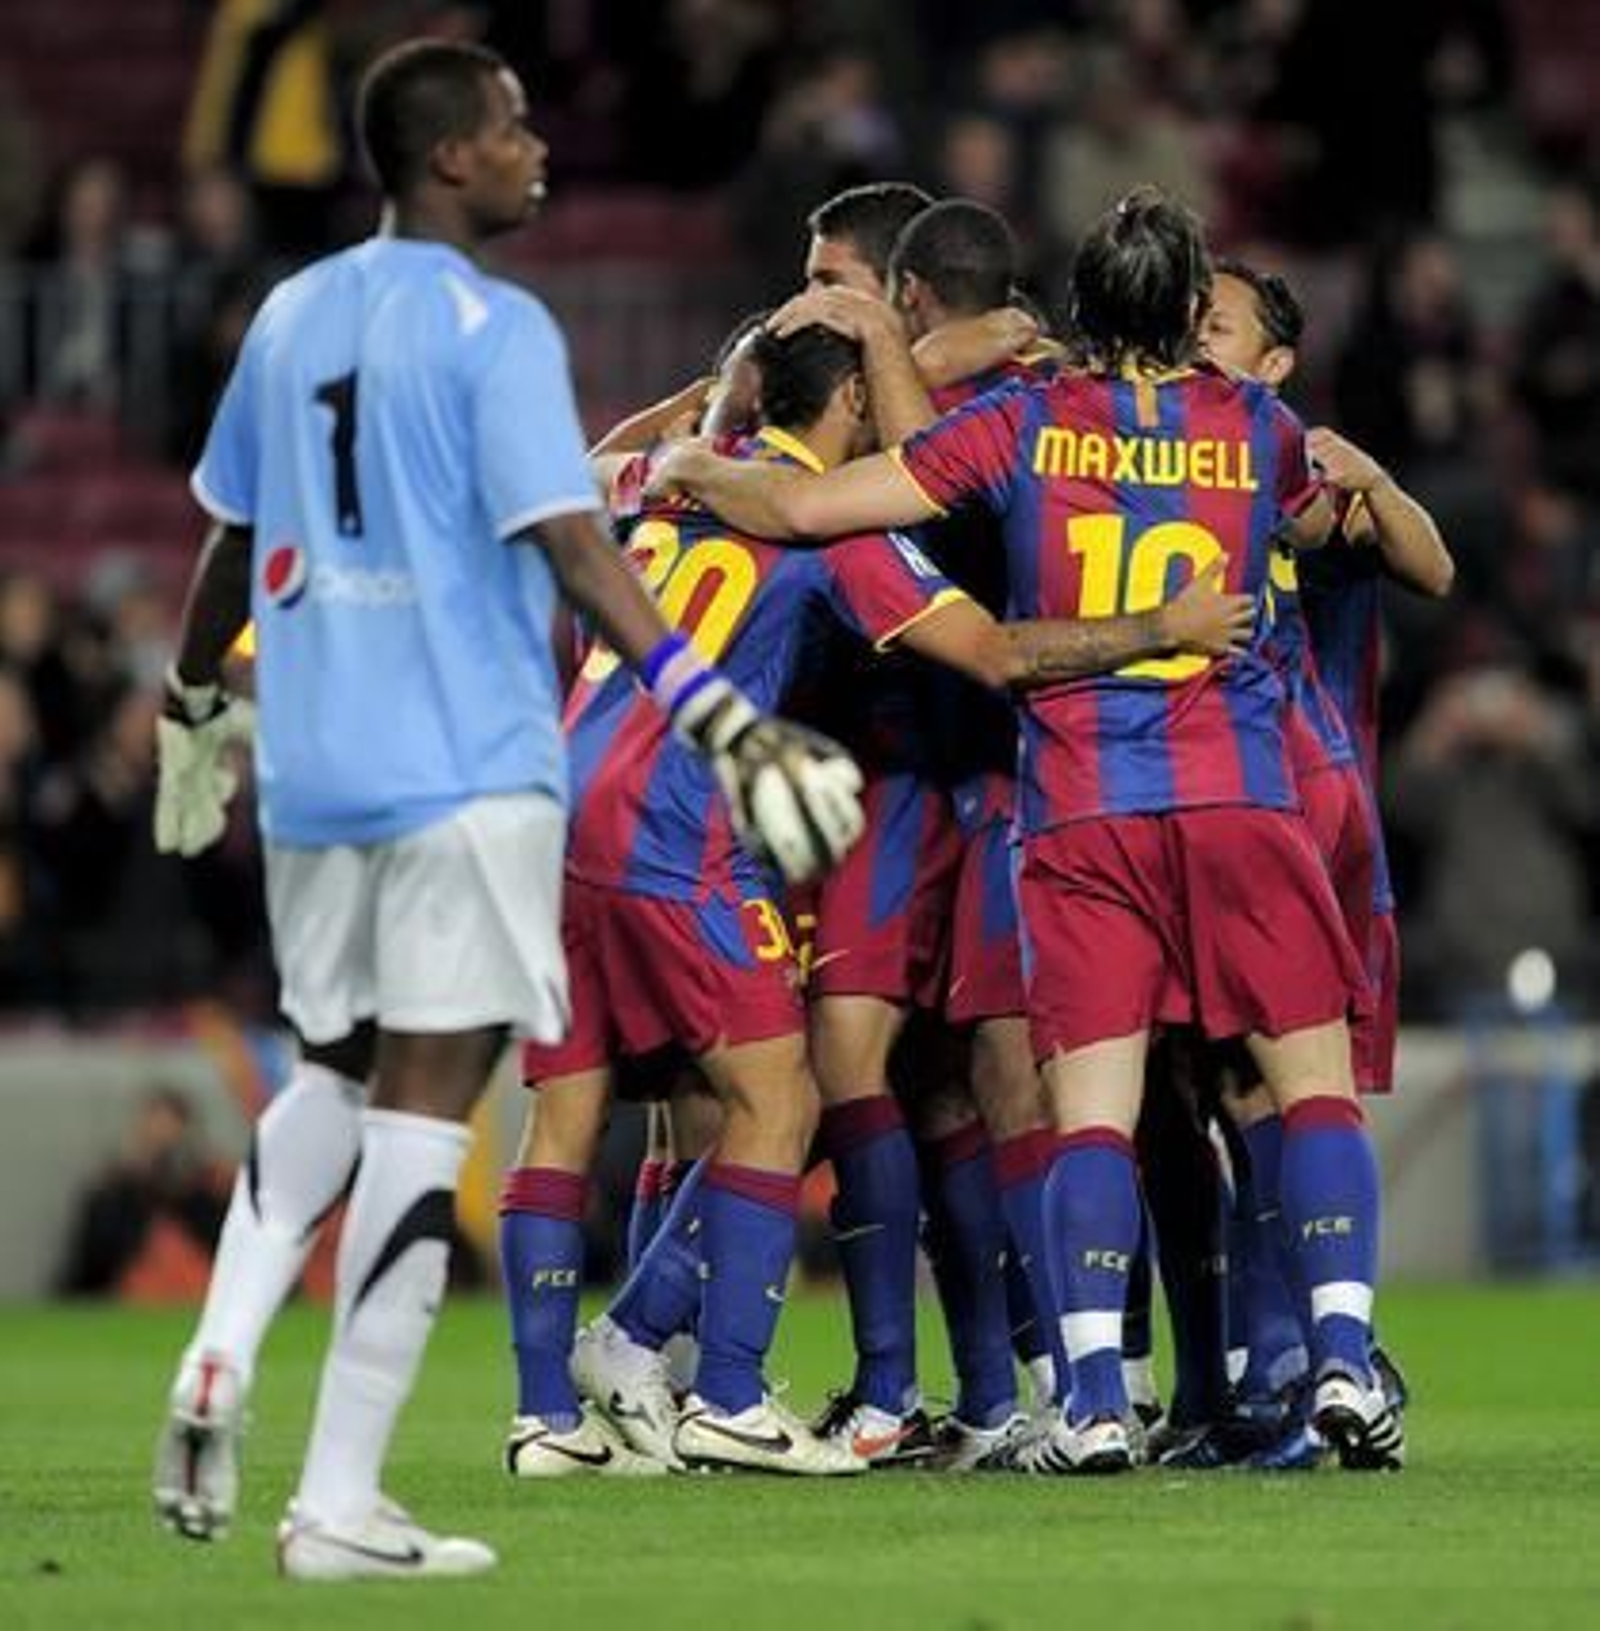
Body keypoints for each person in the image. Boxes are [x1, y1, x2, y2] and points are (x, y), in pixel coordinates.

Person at [149, 38, 864, 1580]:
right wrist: (717, 709)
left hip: (318, 767)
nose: (539, 145)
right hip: (467, 769)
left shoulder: (290, 310)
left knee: (327, 1068)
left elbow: (228, 542)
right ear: (449, 158)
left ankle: (219, 1345)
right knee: (422, 1113)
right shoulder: (494, 325)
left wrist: (192, 699)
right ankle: (338, 1494)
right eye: (514, 125)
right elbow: (572, 543)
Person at [651, 187, 1399, 1475]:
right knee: (1307, 1082)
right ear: (1182, 311)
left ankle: (1095, 1396)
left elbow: (816, 509)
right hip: (1240, 792)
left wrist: (698, 464)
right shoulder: (1264, 430)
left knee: (1092, 1112)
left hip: (1084, 807)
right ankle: (1341, 1357)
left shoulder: (1024, 423)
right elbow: (1355, 536)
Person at [500, 317, 1252, 1478]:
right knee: (779, 1097)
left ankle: (545, 1417)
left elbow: (587, 469)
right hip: (676, 817)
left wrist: (699, 425)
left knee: (562, 1114)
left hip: (558, 799)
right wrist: (1162, 627)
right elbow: (996, 654)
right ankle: (730, 1395)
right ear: (850, 393)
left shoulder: (664, 484)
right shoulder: (831, 524)